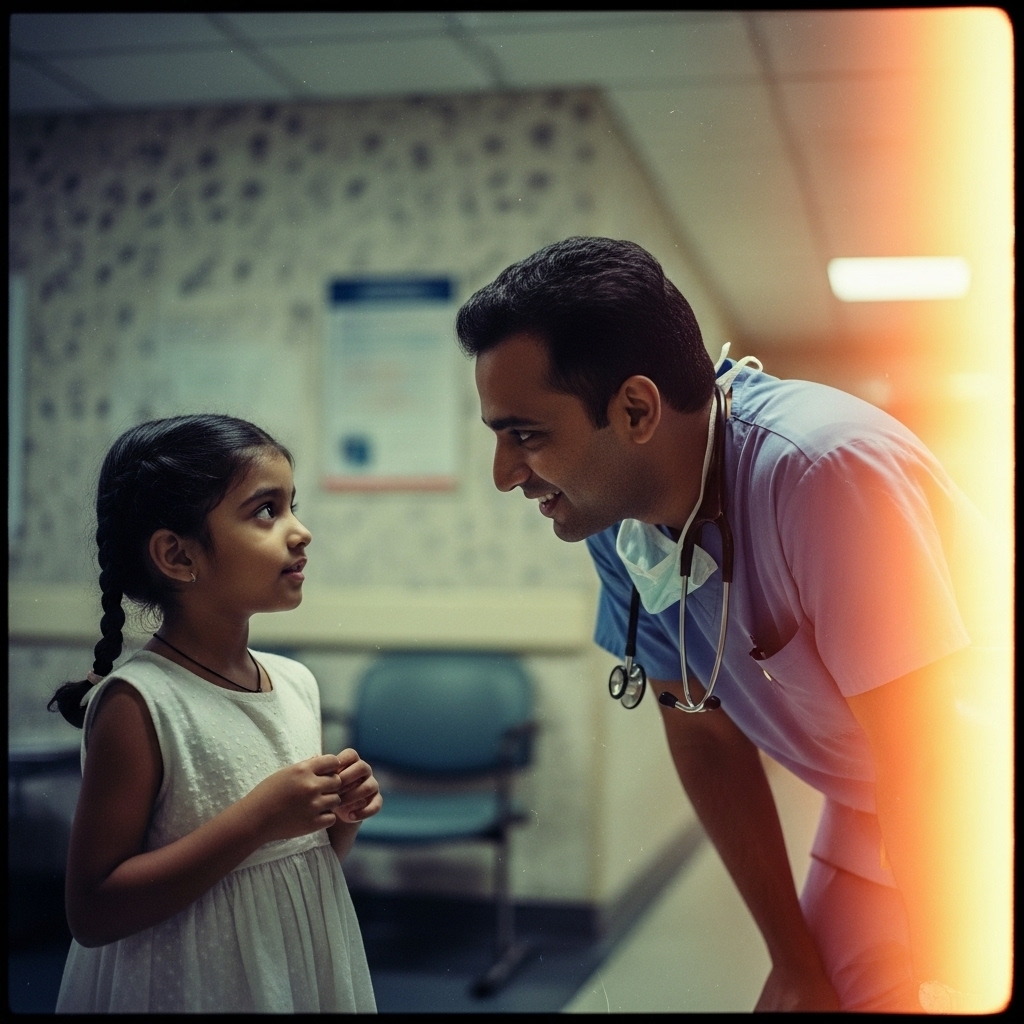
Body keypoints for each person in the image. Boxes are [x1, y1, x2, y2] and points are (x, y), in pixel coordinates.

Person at [455, 236, 1011, 1013]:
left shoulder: (821, 473)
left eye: (527, 435)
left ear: (636, 410)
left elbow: (929, 757)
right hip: (872, 798)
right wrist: (793, 963)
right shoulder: (617, 520)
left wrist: (953, 976)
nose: (505, 474)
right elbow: (705, 733)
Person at [48, 414, 381, 1013]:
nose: (300, 532)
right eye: (265, 511)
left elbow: (293, 867)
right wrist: (258, 818)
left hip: (290, 968)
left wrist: (339, 820)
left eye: (292, 507)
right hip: (191, 983)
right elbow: (92, 911)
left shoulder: (297, 684)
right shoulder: (140, 704)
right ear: (177, 555)